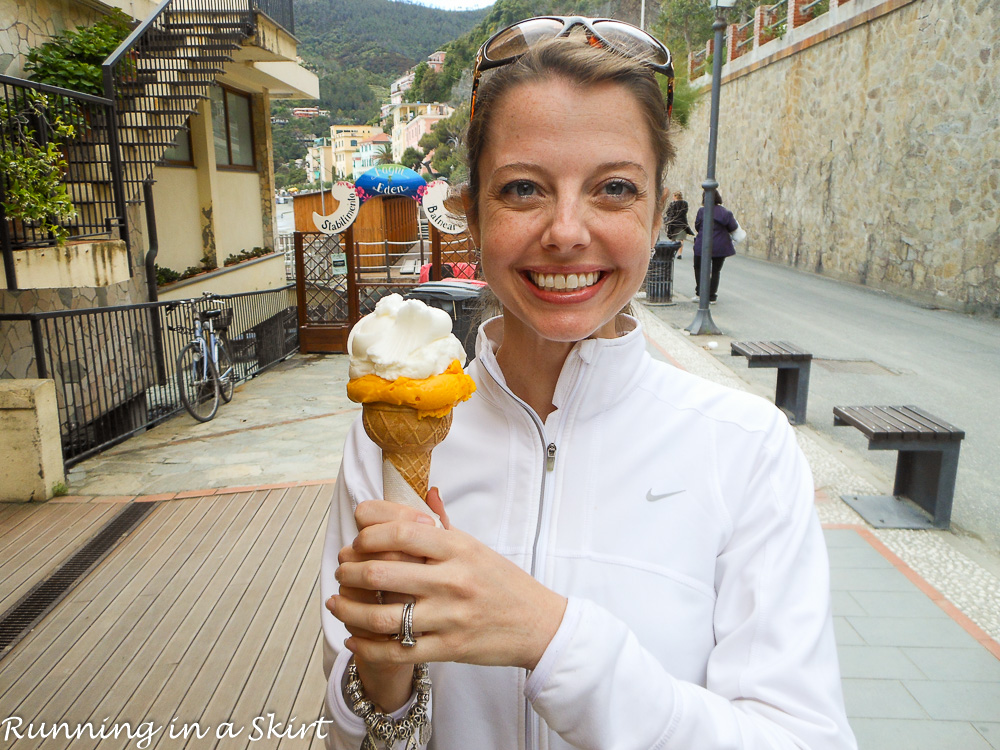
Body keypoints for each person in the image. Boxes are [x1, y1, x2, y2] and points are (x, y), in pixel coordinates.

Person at [322, 16, 856, 750]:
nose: (567, 231)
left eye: (612, 188)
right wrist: (383, 683)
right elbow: (354, 735)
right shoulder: (382, 437)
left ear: (656, 205)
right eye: (522, 189)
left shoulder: (746, 448)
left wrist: (551, 637)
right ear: (473, 213)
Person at [691, 189, 738, 303]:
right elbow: (733, 227)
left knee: (699, 268)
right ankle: (712, 296)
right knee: (716, 271)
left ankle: (700, 293)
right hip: (720, 246)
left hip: (702, 245)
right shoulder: (726, 213)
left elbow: (697, 226)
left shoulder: (702, 211)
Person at [663, 190, 693, 258]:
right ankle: (679, 254)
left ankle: (672, 253)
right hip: (682, 223)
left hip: (673, 224)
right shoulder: (685, 203)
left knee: (673, 239)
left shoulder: (672, 204)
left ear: (675, 196)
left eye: (673, 196)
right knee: (681, 239)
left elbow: (668, 213)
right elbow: (685, 212)